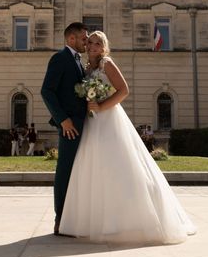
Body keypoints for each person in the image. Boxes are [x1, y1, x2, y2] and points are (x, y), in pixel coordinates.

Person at [59, 31, 196, 244]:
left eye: (98, 43)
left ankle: (132, 220)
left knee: (118, 165)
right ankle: (95, 220)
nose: (93, 46)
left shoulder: (107, 64)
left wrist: (101, 106)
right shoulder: (87, 68)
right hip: (92, 122)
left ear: (104, 47)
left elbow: (124, 91)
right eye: (91, 42)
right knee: (96, 167)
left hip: (109, 119)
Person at [41, 22, 88, 235]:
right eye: (83, 39)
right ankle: (60, 219)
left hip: (84, 124)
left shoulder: (79, 61)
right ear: (71, 39)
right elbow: (47, 91)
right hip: (69, 126)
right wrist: (63, 120)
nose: (86, 42)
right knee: (65, 171)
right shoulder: (60, 58)